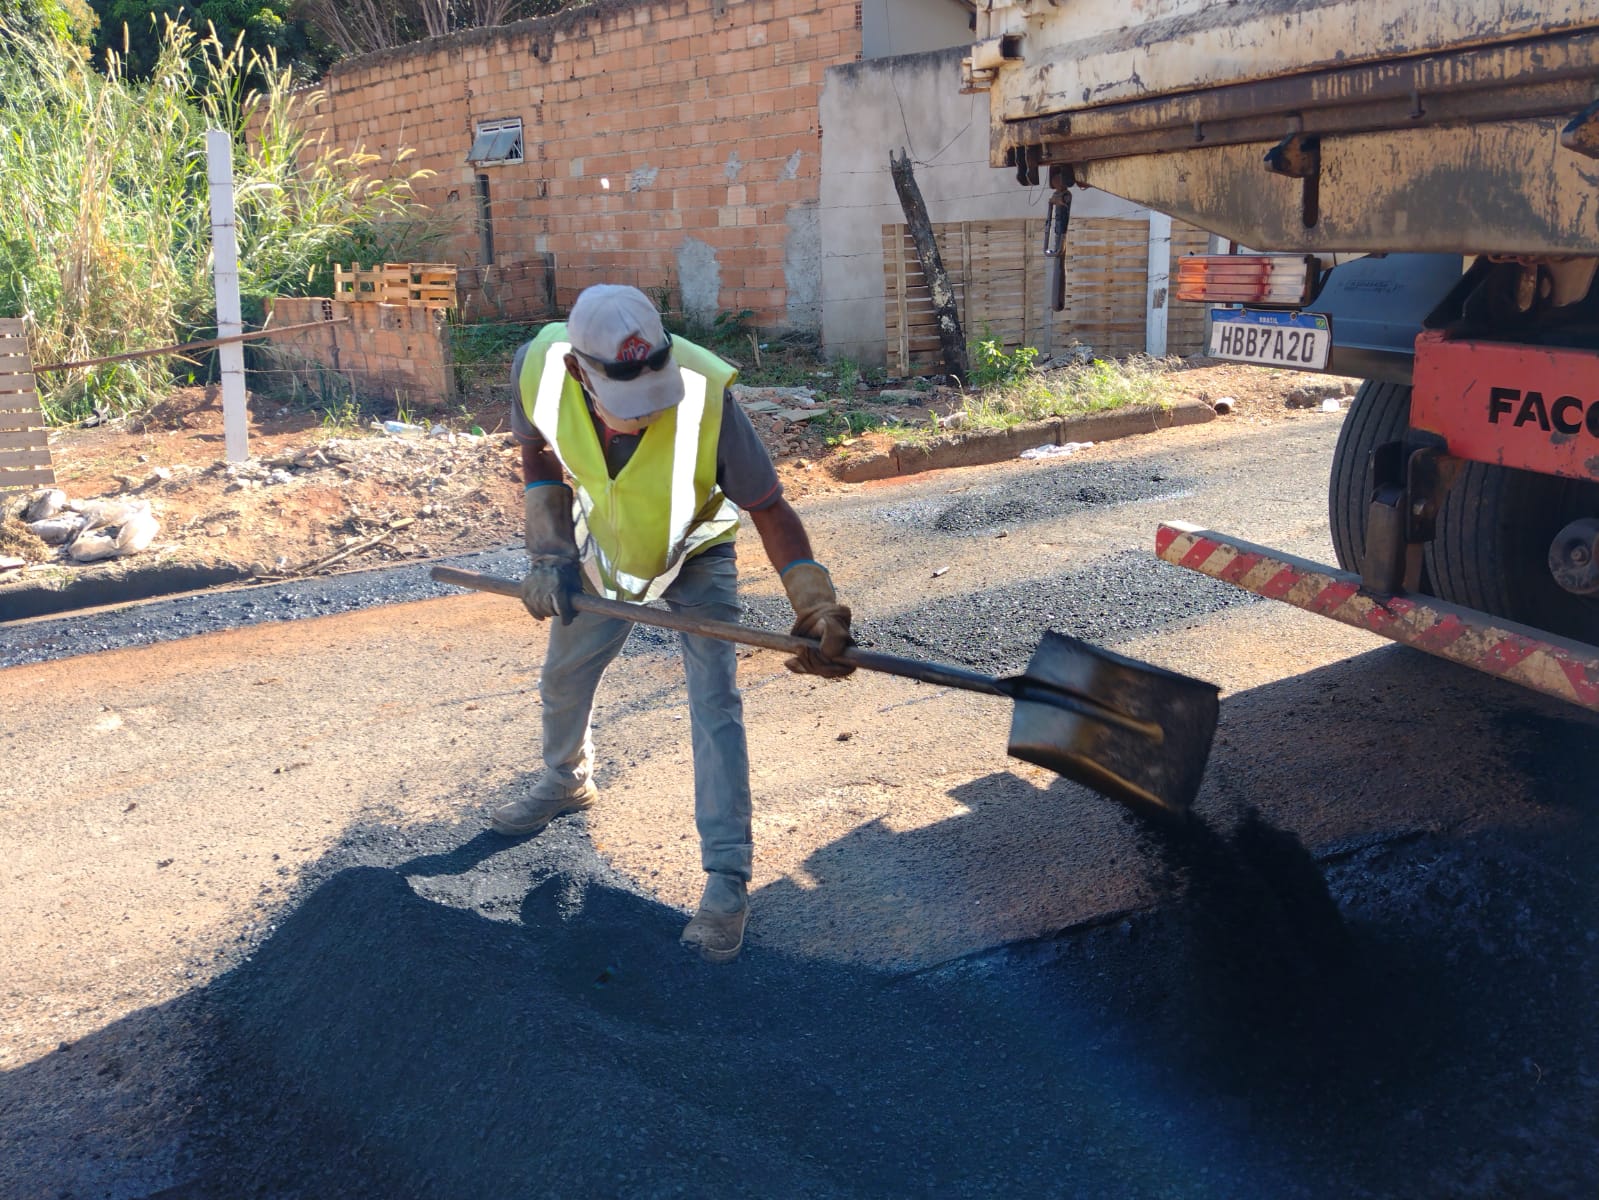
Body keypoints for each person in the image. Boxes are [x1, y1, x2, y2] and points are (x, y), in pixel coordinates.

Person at [497, 284, 854, 963]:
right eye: (627, 405)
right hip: (605, 548)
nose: (645, 417)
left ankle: (726, 880)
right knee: (563, 676)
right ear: (579, 370)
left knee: (714, 704)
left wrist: (812, 602)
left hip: (695, 550)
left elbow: (770, 507)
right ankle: (565, 780)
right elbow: (537, 452)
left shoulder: (707, 395)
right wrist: (549, 552)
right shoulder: (538, 367)